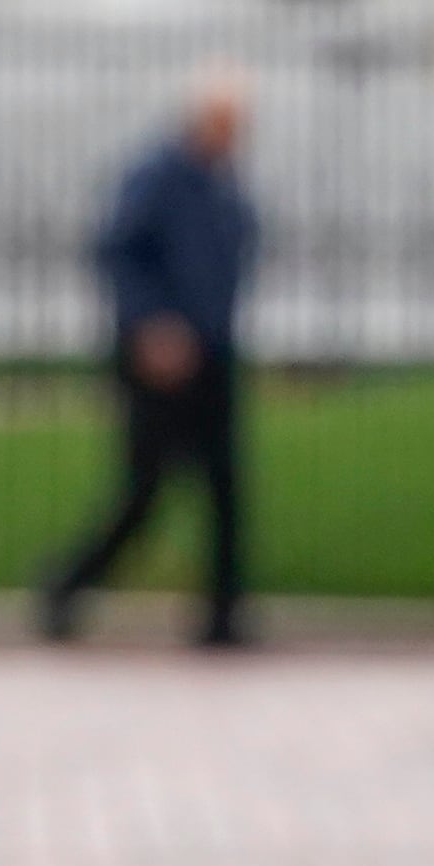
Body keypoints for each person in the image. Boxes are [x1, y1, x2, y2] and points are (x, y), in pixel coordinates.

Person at [37, 67, 262, 648]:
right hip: (158, 359)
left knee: (226, 488)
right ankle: (65, 586)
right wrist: (151, 326)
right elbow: (117, 251)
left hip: (211, 353)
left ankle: (224, 617)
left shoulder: (223, 182)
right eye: (227, 120)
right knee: (144, 492)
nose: (235, 132)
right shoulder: (156, 176)